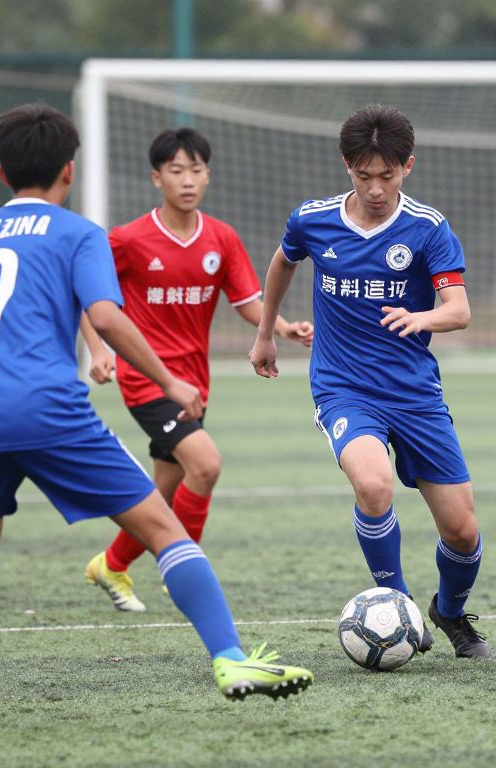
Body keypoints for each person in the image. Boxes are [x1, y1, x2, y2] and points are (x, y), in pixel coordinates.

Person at [0, 104, 312, 726]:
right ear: (69, 171)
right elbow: (107, 316)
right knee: (162, 527)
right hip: (46, 409)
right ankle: (231, 658)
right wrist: (168, 380)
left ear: (0, 173)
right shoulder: (78, 234)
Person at [250, 104, 491, 659]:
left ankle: (449, 613)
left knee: (462, 531)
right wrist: (266, 333)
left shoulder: (428, 229)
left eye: (388, 175)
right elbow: (283, 261)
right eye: (364, 176)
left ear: (408, 166)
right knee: (374, 485)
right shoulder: (313, 219)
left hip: (413, 392)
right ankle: (398, 603)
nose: (377, 188)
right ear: (347, 167)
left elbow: (459, 309)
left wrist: (422, 317)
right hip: (343, 387)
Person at [79, 127, 313, 612]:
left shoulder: (221, 239)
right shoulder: (127, 239)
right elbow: (83, 293)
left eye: (196, 169)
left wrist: (284, 328)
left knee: (163, 489)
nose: (187, 180)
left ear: (208, 175)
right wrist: (97, 351)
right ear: (156, 178)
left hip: (193, 382)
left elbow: (248, 299)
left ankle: (112, 564)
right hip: (147, 379)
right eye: (176, 170)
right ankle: (184, 569)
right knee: (205, 465)